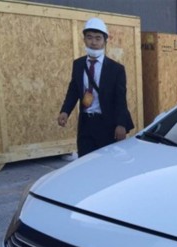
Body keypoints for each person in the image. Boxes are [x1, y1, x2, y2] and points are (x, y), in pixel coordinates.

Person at [57, 17, 134, 157]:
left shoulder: (116, 69)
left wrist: (121, 124)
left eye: (98, 38)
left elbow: (120, 99)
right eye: (89, 37)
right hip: (86, 123)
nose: (93, 42)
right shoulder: (78, 64)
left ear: (105, 41)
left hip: (107, 124)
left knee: (107, 162)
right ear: (84, 40)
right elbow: (74, 90)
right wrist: (65, 111)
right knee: (85, 160)